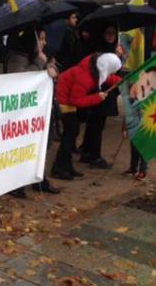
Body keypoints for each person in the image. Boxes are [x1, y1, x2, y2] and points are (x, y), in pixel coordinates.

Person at [4, 28, 60, 196]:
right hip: (24, 114)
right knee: (24, 147)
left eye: (44, 38)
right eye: (40, 39)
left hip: (41, 111)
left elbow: (52, 72)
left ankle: (39, 179)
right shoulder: (18, 58)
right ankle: (16, 184)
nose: (44, 42)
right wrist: (39, 63)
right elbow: (20, 81)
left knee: (43, 144)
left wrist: (50, 67)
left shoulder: (40, 56)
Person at [51, 53, 122, 180]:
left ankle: (65, 166)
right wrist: (97, 98)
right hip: (63, 101)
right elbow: (76, 100)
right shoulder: (85, 77)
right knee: (70, 133)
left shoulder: (94, 67)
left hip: (66, 100)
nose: (112, 74)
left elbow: (107, 78)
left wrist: (119, 80)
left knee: (72, 132)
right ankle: (59, 168)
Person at [80, 23, 122, 169]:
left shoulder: (112, 49)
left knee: (95, 123)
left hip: (106, 91)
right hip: (100, 91)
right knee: (96, 124)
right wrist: (115, 58)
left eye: (113, 33)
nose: (110, 36)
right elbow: (104, 73)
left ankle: (87, 152)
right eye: (108, 33)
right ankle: (95, 156)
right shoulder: (100, 50)